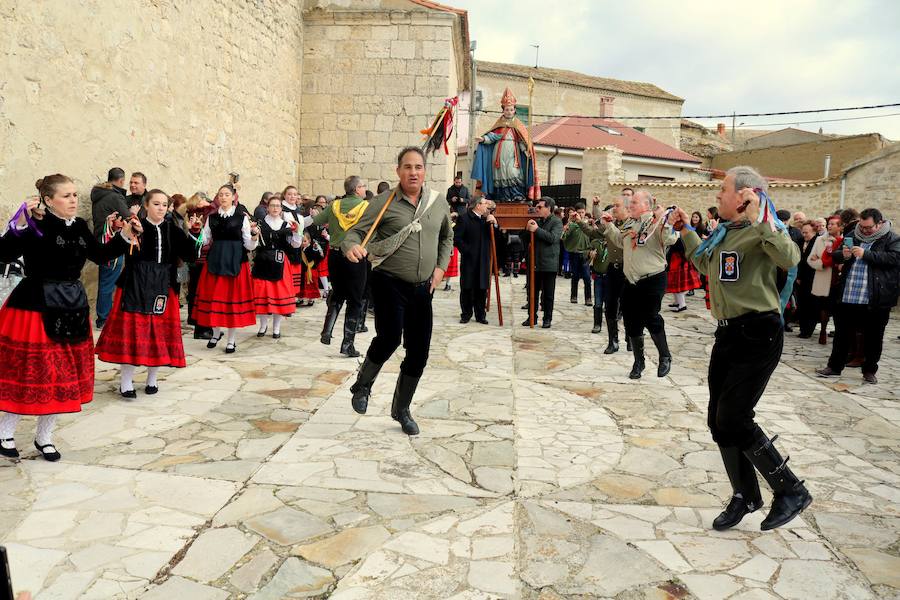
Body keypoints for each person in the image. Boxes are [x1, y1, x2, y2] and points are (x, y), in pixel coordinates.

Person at [670, 165, 810, 532]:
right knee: (718, 420)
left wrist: (759, 215)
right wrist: (686, 231)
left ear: (745, 195)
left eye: (723, 189)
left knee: (734, 417)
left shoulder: (764, 229)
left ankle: (790, 490)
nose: (717, 196)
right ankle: (745, 495)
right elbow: (705, 263)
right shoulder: (723, 232)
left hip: (758, 332)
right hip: (728, 333)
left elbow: (790, 258)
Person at [0, 174, 137, 461]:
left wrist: (125, 235)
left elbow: (100, 255)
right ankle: (5, 432)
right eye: (66, 196)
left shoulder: (81, 227)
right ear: (48, 200)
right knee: (27, 371)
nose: (73, 200)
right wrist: (20, 224)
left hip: (72, 306)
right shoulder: (34, 224)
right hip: (34, 307)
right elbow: (5, 252)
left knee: (61, 375)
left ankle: (44, 436)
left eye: (75, 195)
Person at [342, 147, 454, 435]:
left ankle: (401, 409)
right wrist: (351, 245)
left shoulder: (437, 203)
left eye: (418, 167)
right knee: (390, 337)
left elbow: (446, 237)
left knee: (419, 352)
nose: (413, 172)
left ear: (425, 171)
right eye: (407, 167)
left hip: (422, 289)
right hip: (389, 282)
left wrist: (441, 268)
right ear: (398, 171)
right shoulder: (383, 202)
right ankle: (363, 384)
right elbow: (354, 232)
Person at [95, 190, 199, 397]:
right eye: (156, 204)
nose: (161, 208)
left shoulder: (173, 229)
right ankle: (126, 382)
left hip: (163, 287)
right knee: (133, 335)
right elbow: (119, 248)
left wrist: (194, 233)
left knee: (158, 336)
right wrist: (126, 232)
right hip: (134, 286)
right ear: (146, 205)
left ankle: (152, 379)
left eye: (164, 205)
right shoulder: (135, 226)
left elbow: (190, 255)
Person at [816, 208, 900, 384]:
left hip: (875, 298)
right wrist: (843, 255)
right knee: (841, 335)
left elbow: (894, 259)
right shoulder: (853, 234)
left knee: (874, 337)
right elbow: (836, 255)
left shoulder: (892, 238)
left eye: (869, 227)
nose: (864, 230)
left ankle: (869, 371)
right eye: (862, 226)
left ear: (879, 223)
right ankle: (834, 367)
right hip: (848, 294)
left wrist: (866, 254)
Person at [599, 189, 677, 378]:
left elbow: (670, 239)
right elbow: (620, 241)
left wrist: (666, 223)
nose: (630, 205)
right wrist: (609, 227)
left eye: (634, 202)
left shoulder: (656, 221)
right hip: (631, 281)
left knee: (651, 317)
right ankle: (639, 362)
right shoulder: (630, 223)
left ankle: (665, 356)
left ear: (646, 205)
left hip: (652, 279)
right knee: (631, 321)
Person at [192, 184, 260, 353]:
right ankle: (215, 334)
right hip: (215, 261)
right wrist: (196, 231)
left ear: (233, 197)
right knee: (213, 301)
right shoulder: (211, 217)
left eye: (226, 194)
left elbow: (249, 245)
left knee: (231, 303)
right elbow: (205, 239)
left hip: (236, 261)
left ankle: (231, 340)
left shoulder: (241, 217)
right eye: (220, 194)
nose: (223, 197)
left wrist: (254, 236)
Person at [315, 176, 369, 357]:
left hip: (335, 255)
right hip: (355, 256)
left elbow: (317, 221)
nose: (364, 189)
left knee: (337, 293)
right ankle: (347, 344)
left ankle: (327, 331)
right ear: (356, 189)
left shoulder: (335, 205)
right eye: (363, 186)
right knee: (355, 299)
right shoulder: (365, 207)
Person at [471, 87, 540, 200]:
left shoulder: (518, 125)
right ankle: (502, 196)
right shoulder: (499, 124)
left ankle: (517, 194)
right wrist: (483, 139)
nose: (509, 112)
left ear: (514, 110)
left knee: (513, 171)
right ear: (503, 110)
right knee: (500, 173)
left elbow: (521, 140)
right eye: (507, 109)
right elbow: (493, 136)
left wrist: (526, 150)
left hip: (514, 152)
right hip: (499, 152)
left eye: (511, 109)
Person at [253, 194, 302, 340]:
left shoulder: (287, 224)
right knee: (262, 293)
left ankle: (276, 328)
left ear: (281, 208)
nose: (275, 208)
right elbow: (253, 243)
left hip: (280, 262)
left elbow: (295, 244)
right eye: (272, 205)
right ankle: (262, 325)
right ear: (267, 208)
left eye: (278, 206)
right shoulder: (260, 224)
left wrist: (297, 231)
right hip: (262, 261)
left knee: (279, 295)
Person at [91, 167, 131, 329]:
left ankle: (104, 317)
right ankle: (104, 318)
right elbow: (128, 216)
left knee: (106, 280)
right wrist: (133, 212)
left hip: (101, 239)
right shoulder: (115, 196)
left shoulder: (99, 194)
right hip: (112, 241)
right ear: (121, 181)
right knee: (108, 282)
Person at [592, 194, 630, 353]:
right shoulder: (611, 223)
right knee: (610, 306)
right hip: (612, 269)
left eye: (617, 205)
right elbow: (599, 221)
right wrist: (596, 206)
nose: (614, 208)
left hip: (627, 270)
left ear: (628, 208)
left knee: (628, 307)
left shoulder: (632, 225)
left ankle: (630, 338)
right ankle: (613, 341)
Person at [455, 196, 498, 324]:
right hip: (469, 260)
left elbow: (496, 238)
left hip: (483, 259)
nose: (487, 207)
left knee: (482, 288)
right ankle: (466, 314)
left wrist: (494, 223)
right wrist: (468, 251)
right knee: (467, 287)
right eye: (485, 204)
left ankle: (480, 315)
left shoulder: (486, 220)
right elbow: (457, 238)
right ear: (478, 205)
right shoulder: (464, 218)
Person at [521, 197, 563, 328]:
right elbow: (524, 238)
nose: (537, 209)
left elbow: (553, 238)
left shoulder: (557, 222)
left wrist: (537, 230)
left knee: (548, 294)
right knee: (532, 292)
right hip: (534, 262)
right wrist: (527, 228)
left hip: (548, 263)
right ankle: (531, 317)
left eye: (540, 207)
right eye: (537, 207)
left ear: (548, 208)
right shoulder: (537, 221)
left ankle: (547, 319)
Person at [807, 215, 841, 344]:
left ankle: (839, 334)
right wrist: (823, 263)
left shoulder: (845, 240)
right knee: (824, 307)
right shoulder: (820, 240)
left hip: (840, 279)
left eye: (833, 224)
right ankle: (822, 331)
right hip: (825, 278)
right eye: (829, 224)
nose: (829, 226)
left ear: (840, 226)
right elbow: (811, 259)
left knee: (839, 310)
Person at [562, 203, 592, 306]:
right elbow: (563, 236)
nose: (580, 214)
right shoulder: (572, 224)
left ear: (585, 212)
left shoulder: (588, 224)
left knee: (587, 277)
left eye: (582, 212)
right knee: (575, 276)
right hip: (574, 253)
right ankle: (573, 296)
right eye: (578, 212)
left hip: (585, 253)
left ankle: (588, 298)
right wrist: (569, 221)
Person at [795, 221, 819, 338]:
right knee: (801, 303)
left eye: (806, 232)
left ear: (814, 232)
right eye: (803, 232)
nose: (804, 235)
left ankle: (808, 329)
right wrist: (798, 276)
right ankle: (803, 328)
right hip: (801, 277)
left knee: (811, 304)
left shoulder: (818, 242)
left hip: (813, 277)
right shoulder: (799, 241)